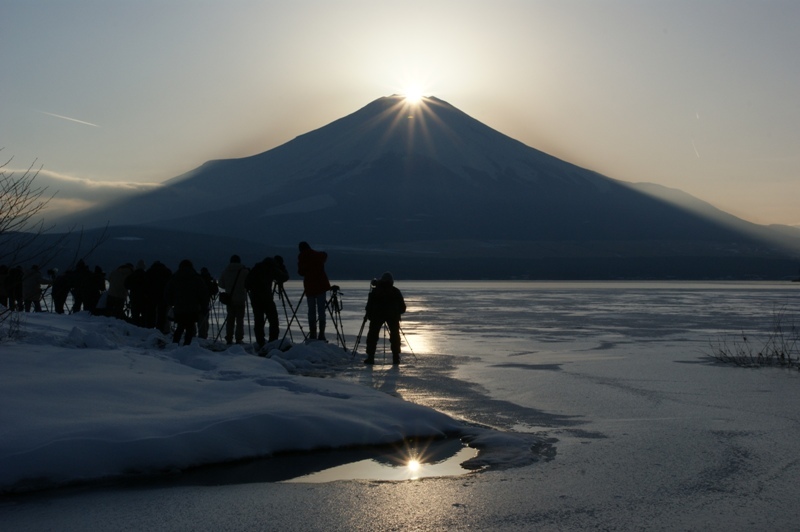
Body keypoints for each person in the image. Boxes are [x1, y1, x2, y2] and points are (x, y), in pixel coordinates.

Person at [245, 255, 289, 349]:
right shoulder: (271, 268)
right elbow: (284, 277)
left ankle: (260, 341)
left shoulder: (256, 268)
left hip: (255, 298)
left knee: (258, 320)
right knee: (273, 319)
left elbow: (246, 284)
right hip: (266, 297)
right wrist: (283, 268)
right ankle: (273, 341)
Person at [364, 272, 406, 365]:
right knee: (395, 336)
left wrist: (369, 315)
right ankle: (396, 357)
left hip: (377, 316)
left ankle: (370, 357)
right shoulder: (395, 291)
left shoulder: (375, 291)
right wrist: (396, 311)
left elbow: (369, 306)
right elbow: (403, 308)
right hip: (392, 316)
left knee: (372, 335)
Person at [164, 259, 208, 346]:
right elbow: (203, 293)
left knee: (180, 326)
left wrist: (171, 303)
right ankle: (187, 345)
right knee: (190, 327)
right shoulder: (196, 278)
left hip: (179, 307)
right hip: (193, 307)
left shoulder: (175, 278)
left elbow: (167, 292)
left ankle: (175, 343)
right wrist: (204, 306)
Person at [297, 241, 331, 341]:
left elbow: (300, 272)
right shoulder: (317, 255)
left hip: (310, 287)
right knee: (321, 310)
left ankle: (313, 334)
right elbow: (325, 255)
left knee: (311, 310)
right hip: (321, 286)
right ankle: (321, 334)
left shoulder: (302, 257)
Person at [218, 255, 249, 345]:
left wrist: (228, 286)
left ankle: (229, 337)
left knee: (230, 319)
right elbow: (248, 283)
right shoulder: (244, 271)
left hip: (230, 299)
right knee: (240, 320)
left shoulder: (226, 271)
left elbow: (221, 284)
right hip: (241, 299)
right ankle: (239, 338)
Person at [197, 267, 219, 339]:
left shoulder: (198, 280)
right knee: (205, 318)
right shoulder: (208, 280)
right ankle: (203, 335)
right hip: (206, 302)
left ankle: (200, 334)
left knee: (199, 317)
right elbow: (214, 291)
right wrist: (215, 284)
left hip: (198, 302)